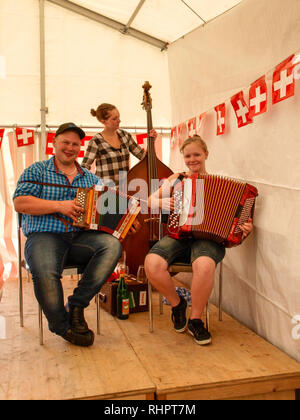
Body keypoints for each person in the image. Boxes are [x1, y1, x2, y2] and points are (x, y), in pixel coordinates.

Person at [13, 122, 122, 347]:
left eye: (75, 144)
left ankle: (76, 305)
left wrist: (124, 219)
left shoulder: (90, 179)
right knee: (44, 271)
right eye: (66, 142)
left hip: (78, 238)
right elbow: (20, 203)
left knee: (112, 245)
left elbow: (103, 209)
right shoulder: (37, 170)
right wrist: (59, 205)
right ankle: (62, 326)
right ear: (54, 143)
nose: (70, 147)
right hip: (44, 236)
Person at [144, 135, 253, 345]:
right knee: (152, 263)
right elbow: (150, 201)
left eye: (197, 155)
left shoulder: (220, 186)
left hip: (208, 240)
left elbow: (239, 221)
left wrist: (245, 228)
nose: (192, 159)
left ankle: (196, 320)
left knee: (203, 265)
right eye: (188, 156)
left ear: (206, 155)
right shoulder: (176, 179)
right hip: (179, 236)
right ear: (183, 157)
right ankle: (178, 305)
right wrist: (163, 203)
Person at [81, 103, 158, 187]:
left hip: (124, 189)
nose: (119, 121)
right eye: (114, 119)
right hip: (105, 191)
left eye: (118, 117)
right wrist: (91, 184)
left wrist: (151, 141)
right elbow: (84, 167)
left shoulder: (125, 135)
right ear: (103, 122)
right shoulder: (96, 141)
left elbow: (143, 157)